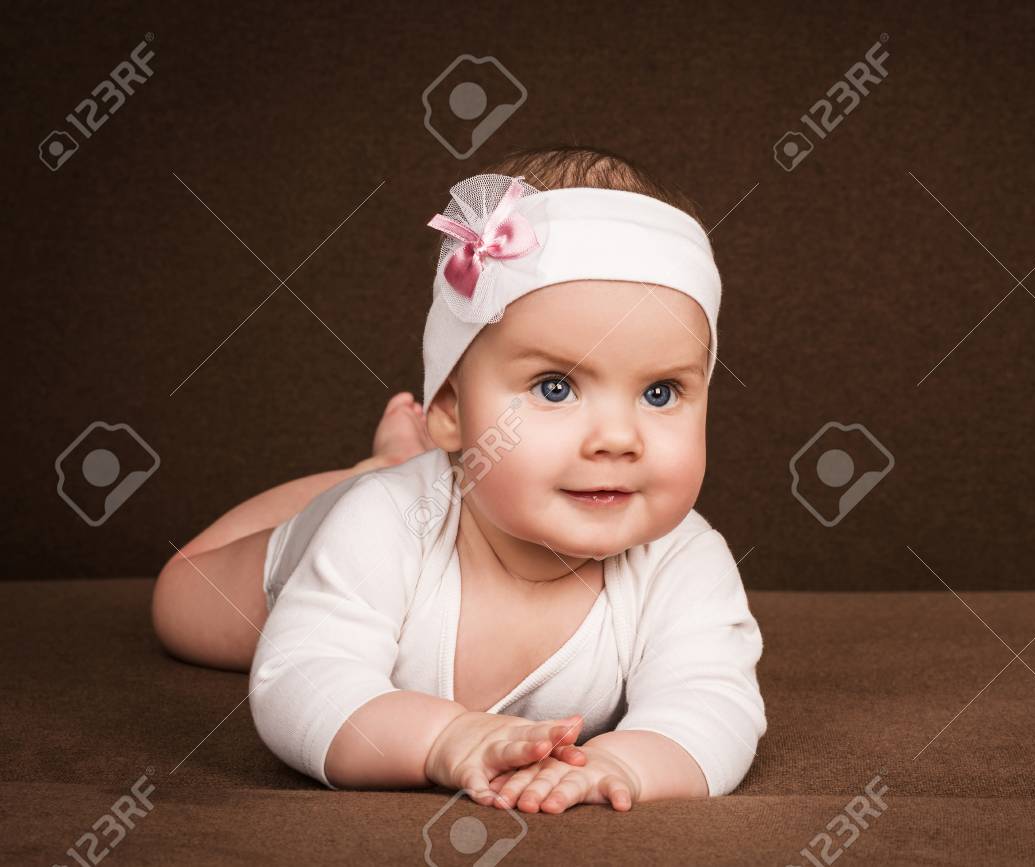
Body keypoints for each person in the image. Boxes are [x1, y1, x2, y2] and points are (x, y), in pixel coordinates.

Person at [151, 145, 766, 814]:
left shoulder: (684, 558)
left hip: (433, 475)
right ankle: (373, 468)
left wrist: (626, 762)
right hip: (329, 541)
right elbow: (300, 681)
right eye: (555, 386)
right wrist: (441, 736)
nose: (618, 438)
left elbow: (713, 701)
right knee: (179, 601)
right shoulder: (382, 525)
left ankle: (398, 455)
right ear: (449, 409)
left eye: (660, 392)